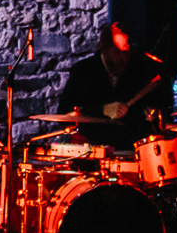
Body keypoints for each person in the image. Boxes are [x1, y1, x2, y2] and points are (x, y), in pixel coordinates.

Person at [56, 22, 168, 150]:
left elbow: (156, 108)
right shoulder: (83, 71)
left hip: (131, 147)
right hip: (92, 147)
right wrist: (103, 110)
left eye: (126, 52)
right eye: (117, 52)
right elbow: (65, 112)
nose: (123, 58)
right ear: (102, 48)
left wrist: (150, 112)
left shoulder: (139, 70)